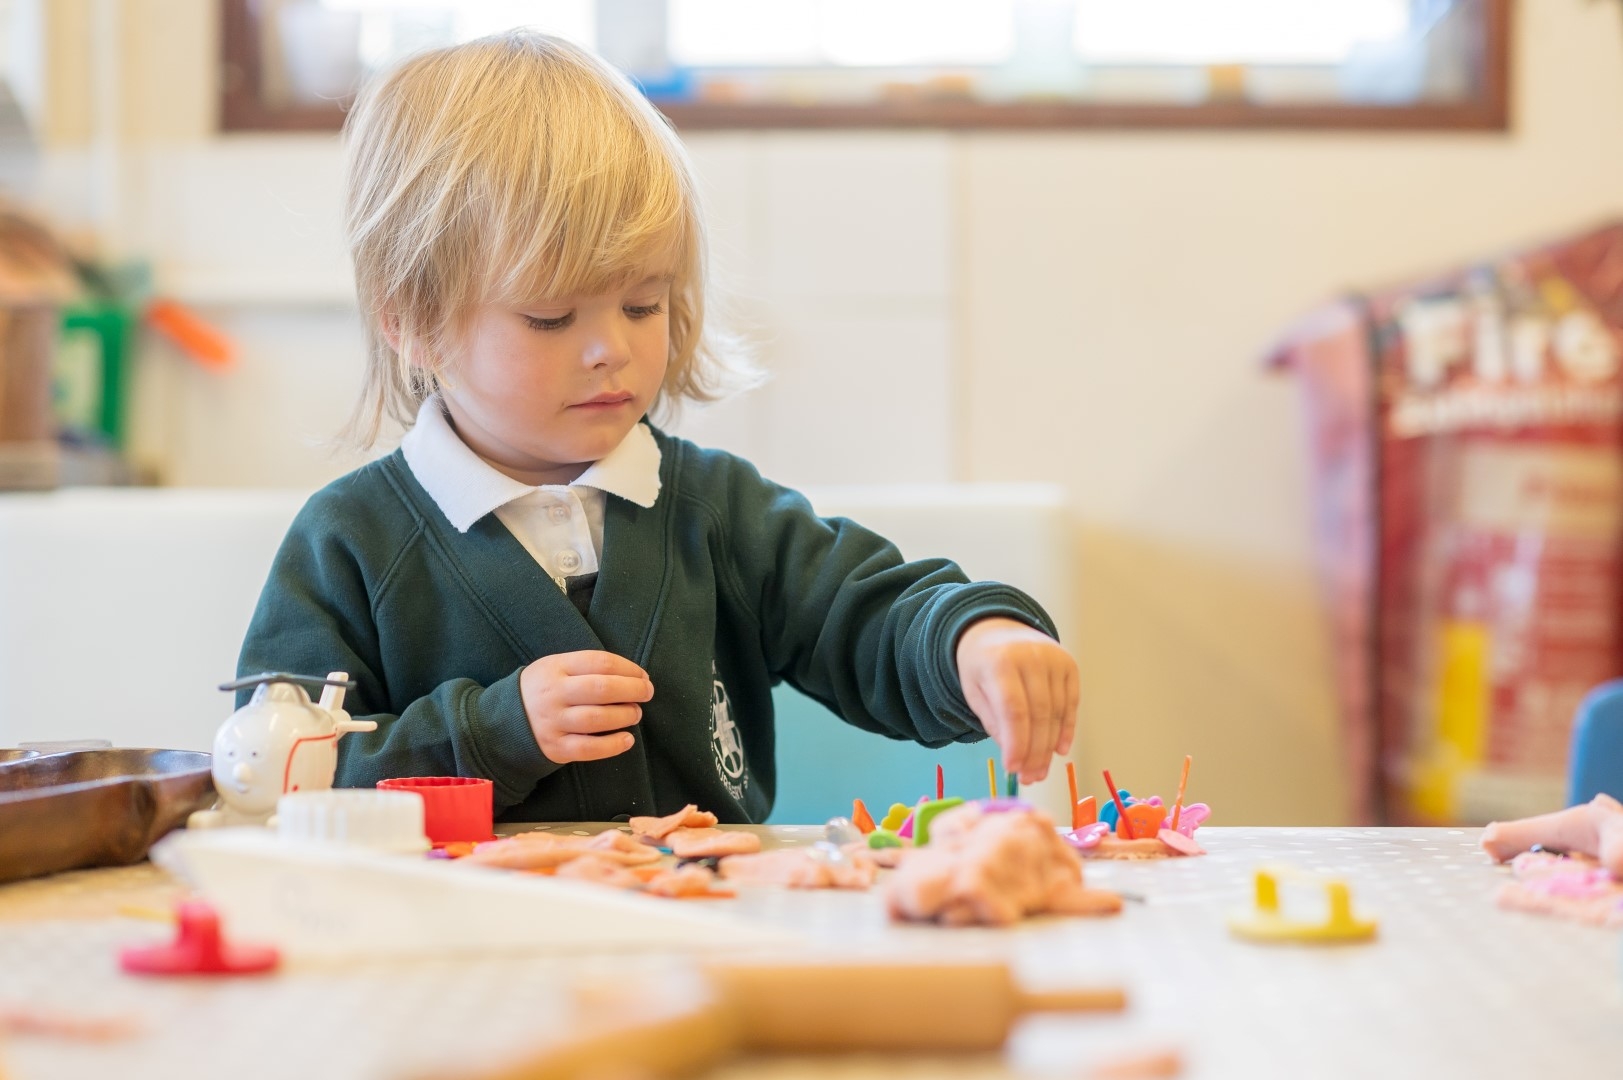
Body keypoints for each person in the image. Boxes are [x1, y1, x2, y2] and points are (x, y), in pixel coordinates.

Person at [237, 31, 1080, 823]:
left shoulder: (716, 510)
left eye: (644, 303)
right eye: (550, 316)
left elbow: (866, 617)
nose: (611, 348)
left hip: (699, 936)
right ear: (413, 322)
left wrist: (976, 639)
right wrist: (490, 732)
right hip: (461, 951)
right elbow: (281, 773)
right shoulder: (347, 543)